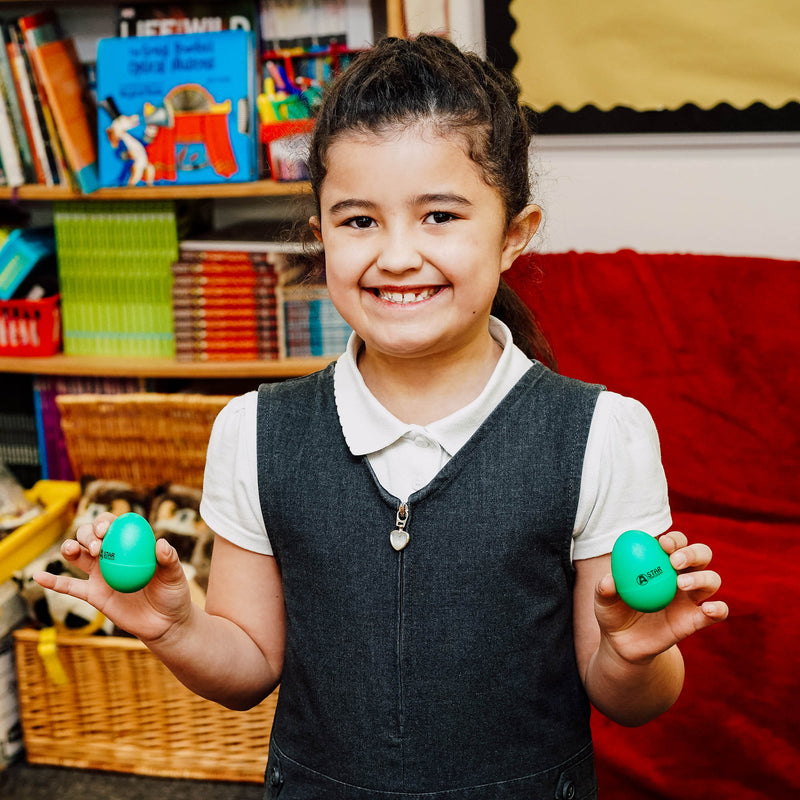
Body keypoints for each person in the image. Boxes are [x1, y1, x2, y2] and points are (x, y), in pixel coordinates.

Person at [36, 35, 727, 799]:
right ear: (319, 234)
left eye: (439, 215)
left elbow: (633, 699)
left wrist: (632, 654)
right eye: (359, 220)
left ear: (513, 236)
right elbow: (246, 670)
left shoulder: (601, 435)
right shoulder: (254, 433)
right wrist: (174, 628)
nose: (398, 255)